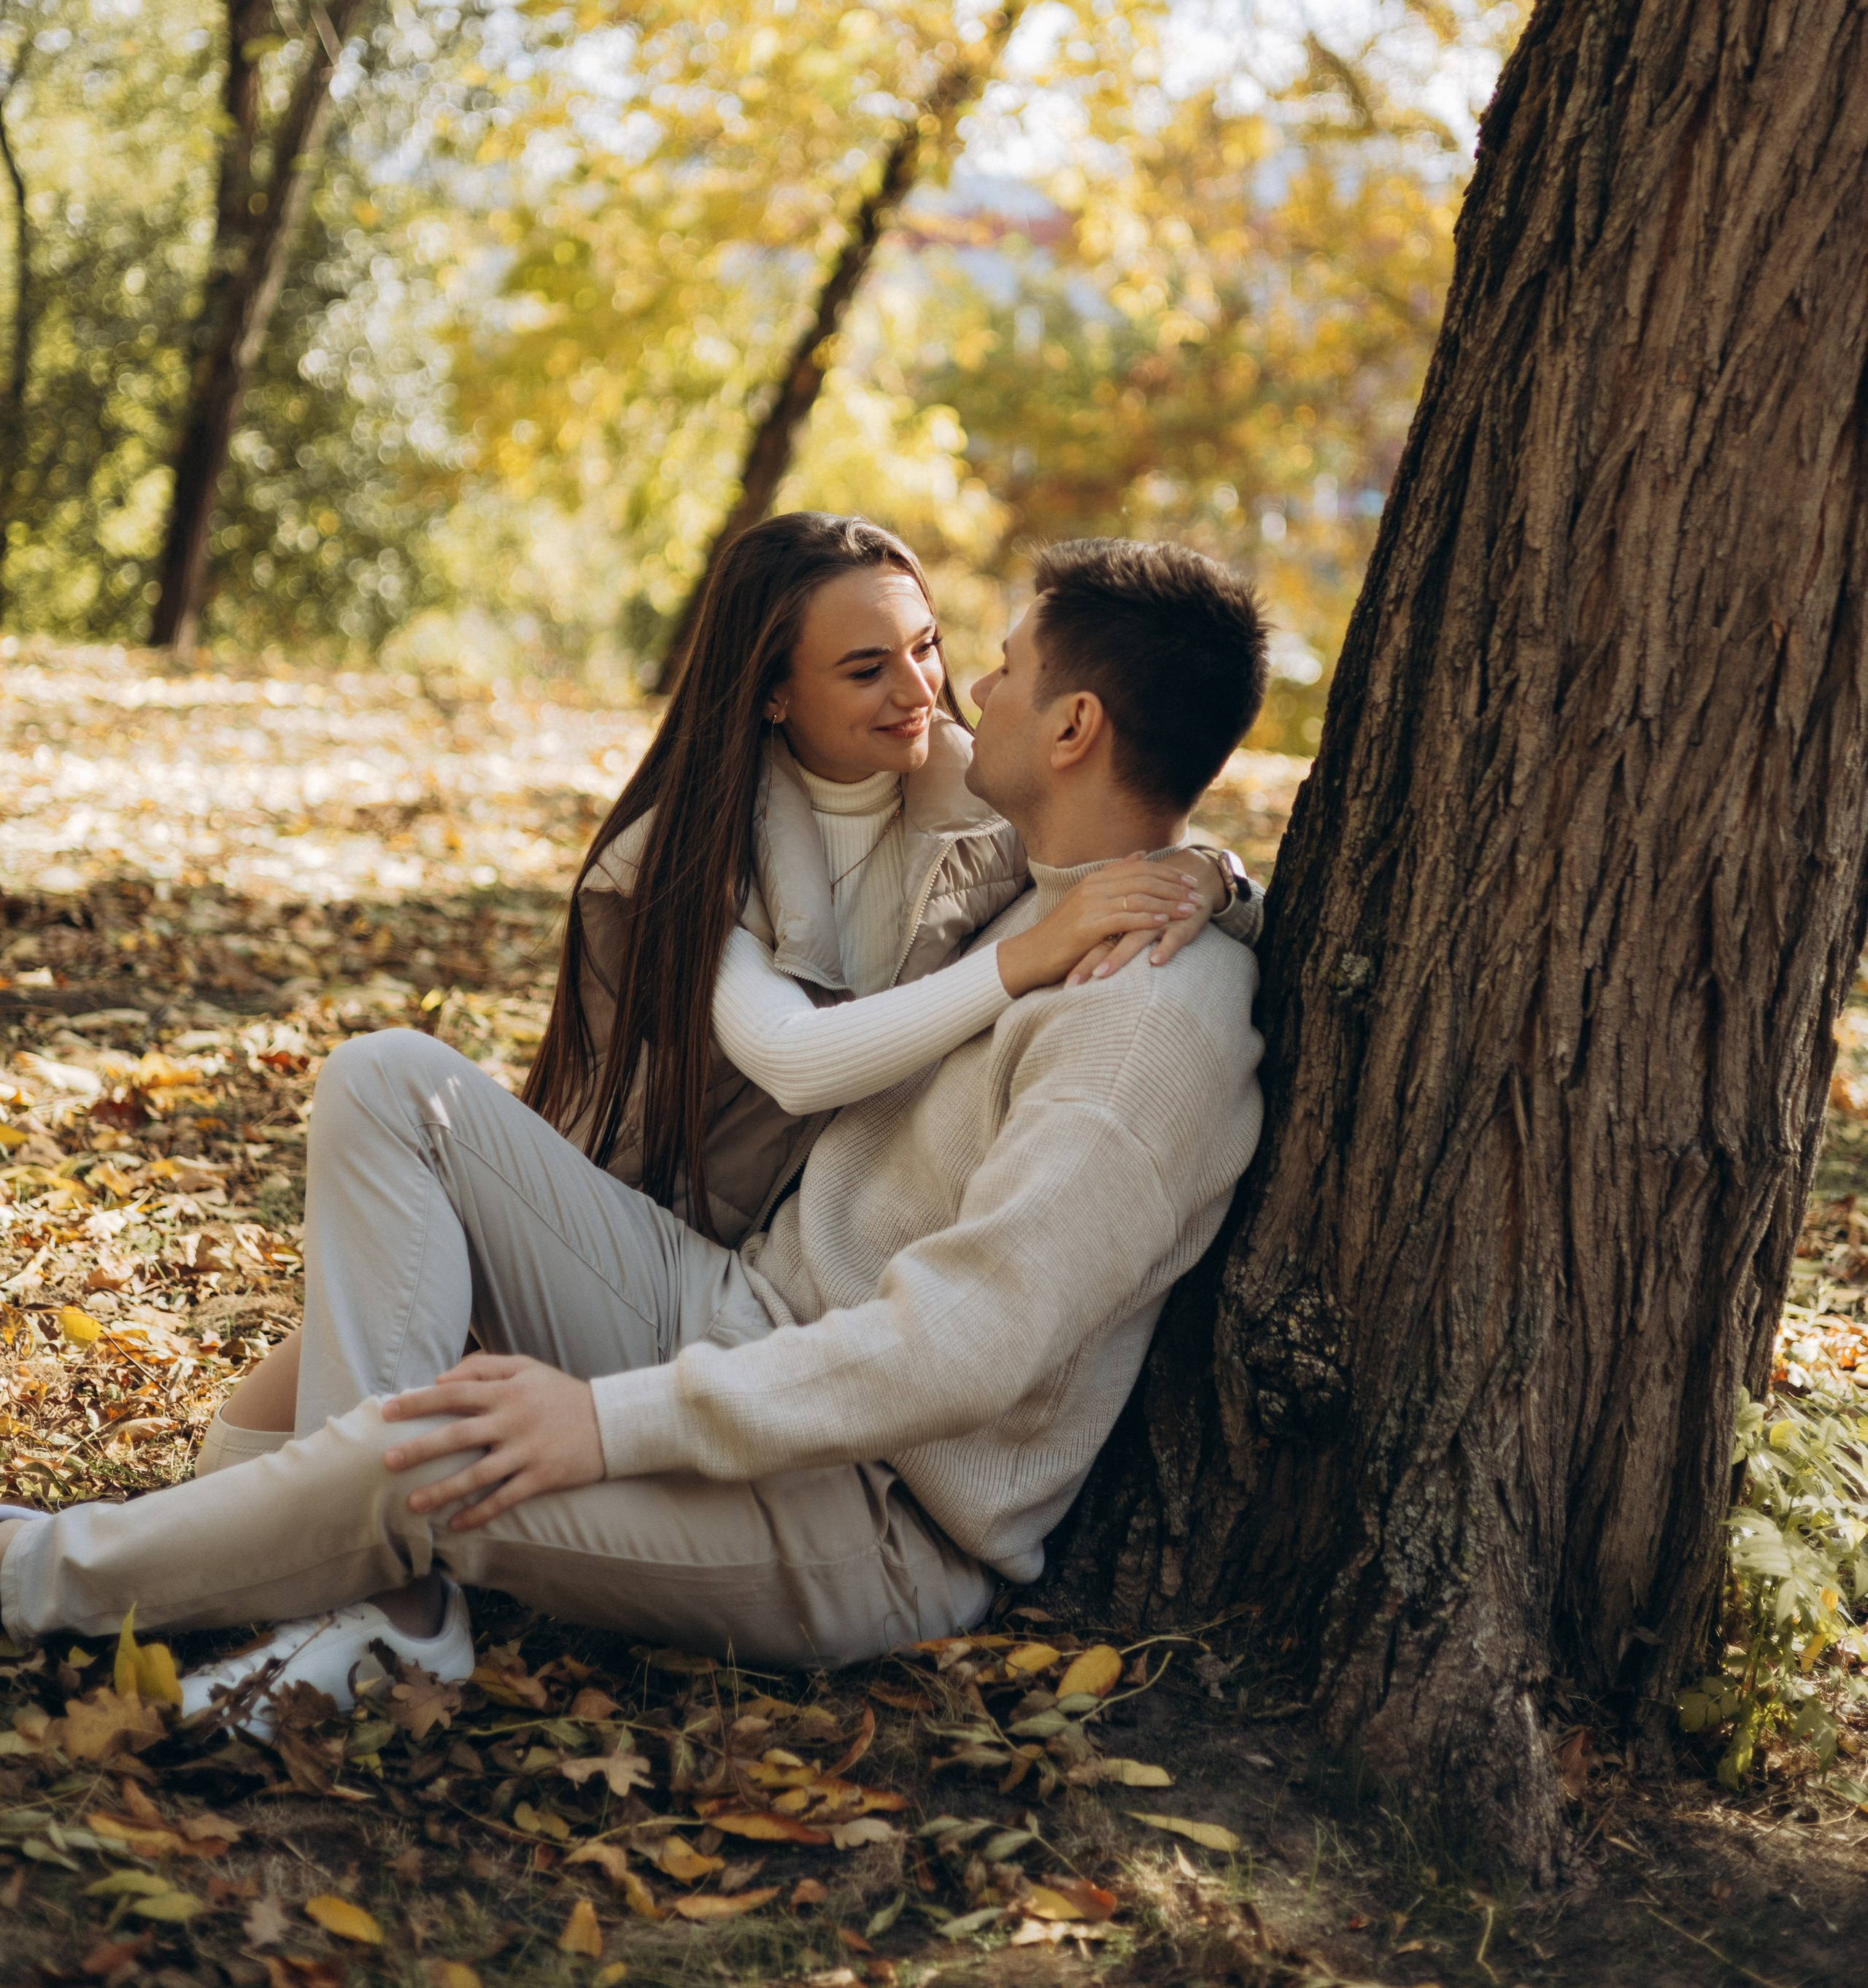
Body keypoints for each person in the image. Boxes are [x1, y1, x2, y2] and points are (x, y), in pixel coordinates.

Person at [0, 537, 1268, 1715]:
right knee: (392, 1080)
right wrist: (1216, 878)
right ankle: (380, 1605)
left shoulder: (1140, 1024)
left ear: (1075, 728)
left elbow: (961, 1350)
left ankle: (42, 1576)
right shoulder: (1057, 892)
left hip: (870, 1511)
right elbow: (813, 1037)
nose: (961, 691)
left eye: (1000, 666)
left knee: (425, 1457)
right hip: (735, 1314)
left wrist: (600, 1422)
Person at [190, 514, 1259, 1474]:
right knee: (250, 1459)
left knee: (354, 1472)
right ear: (773, 692)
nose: (922, 691)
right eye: (865, 669)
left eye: (927, 647)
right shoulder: (694, 852)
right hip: (620, 1213)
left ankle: (320, 1533)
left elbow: (1114, 820)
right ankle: (275, 1504)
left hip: (756, 1282)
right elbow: (795, 1060)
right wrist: (1023, 961)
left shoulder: (978, 802)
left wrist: (1215, 878)